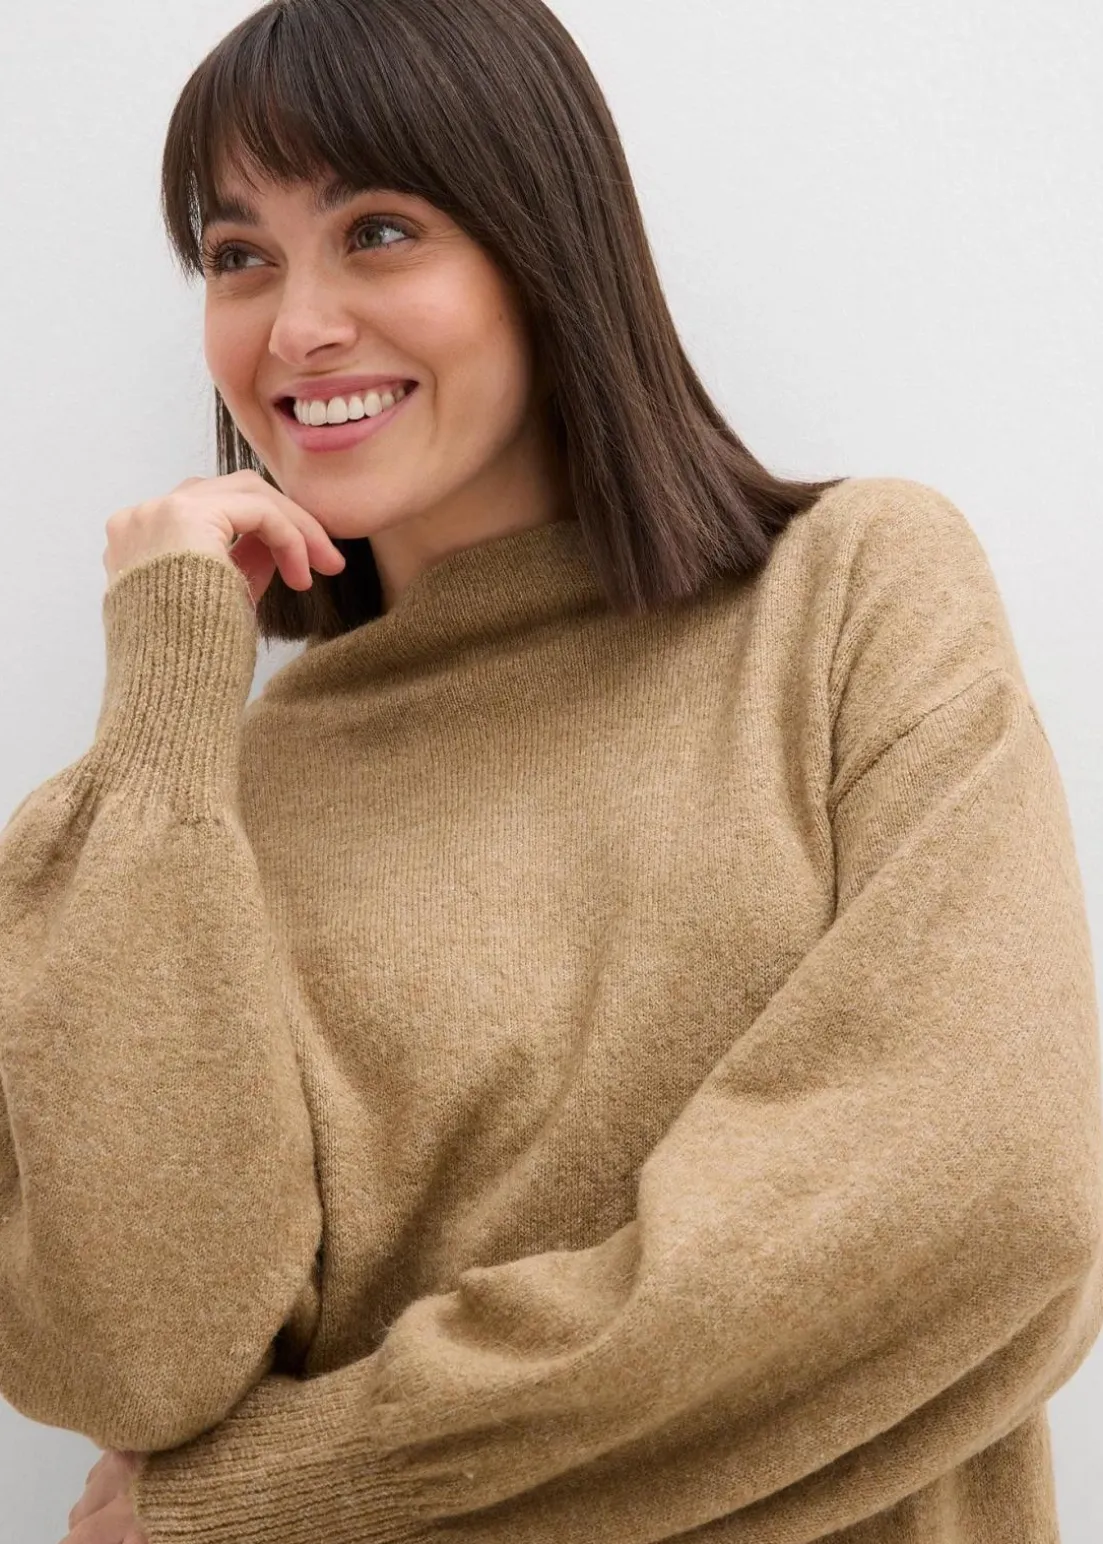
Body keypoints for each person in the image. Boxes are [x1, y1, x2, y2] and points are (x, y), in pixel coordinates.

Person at [3, 2, 1100, 1543]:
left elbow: (988, 1205)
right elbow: (133, 1355)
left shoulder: (848, 595)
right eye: (238, 254)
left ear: (544, 246)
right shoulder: (195, 812)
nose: (295, 327)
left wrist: (287, 1495)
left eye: (377, 231)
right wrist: (162, 705)